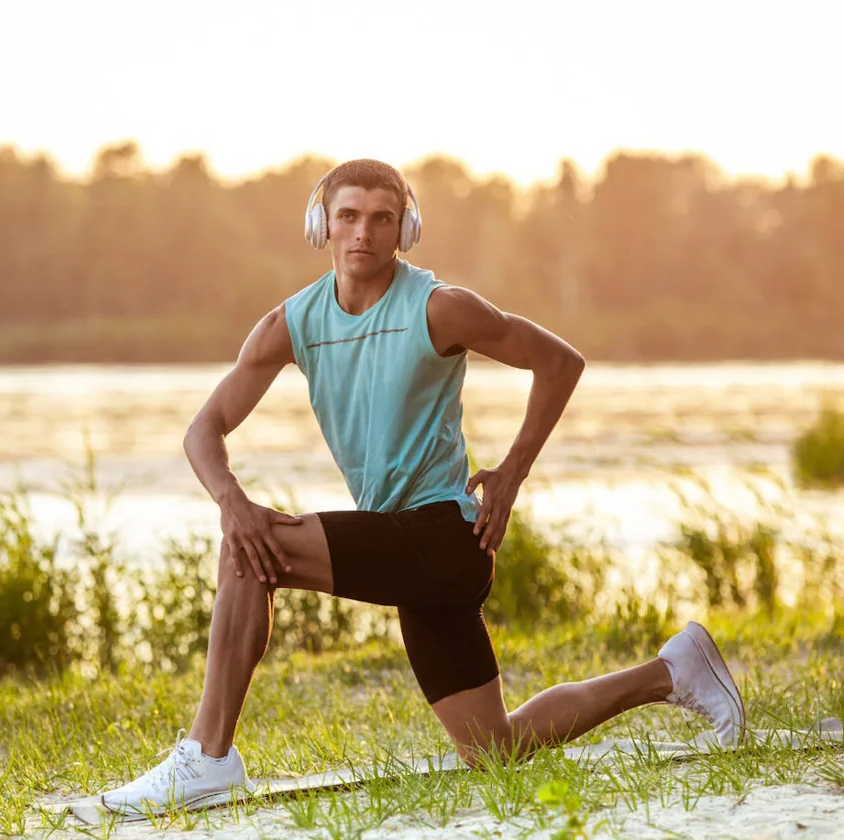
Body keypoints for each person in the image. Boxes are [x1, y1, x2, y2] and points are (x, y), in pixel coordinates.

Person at [96, 159, 745, 817]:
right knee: (493, 747)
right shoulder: (292, 323)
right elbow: (204, 429)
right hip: (403, 547)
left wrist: (511, 473)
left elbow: (558, 362)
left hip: (443, 536)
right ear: (320, 224)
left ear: (406, 229)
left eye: (382, 219)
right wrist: (231, 499)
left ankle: (208, 758)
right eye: (347, 216)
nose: (363, 234)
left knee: (251, 553)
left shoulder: (439, 308)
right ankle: (673, 670)